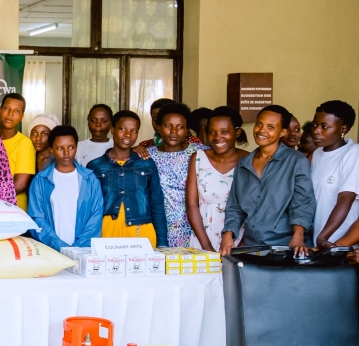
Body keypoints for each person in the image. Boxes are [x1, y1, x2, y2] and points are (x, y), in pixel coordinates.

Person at [221, 105, 315, 257]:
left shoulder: (295, 161)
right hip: (253, 247)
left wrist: (298, 236)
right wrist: (228, 234)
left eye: (270, 127)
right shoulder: (244, 164)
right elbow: (235, 206)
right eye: (259, 124)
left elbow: (302, 202)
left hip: (287, 246)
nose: (261, 130)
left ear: (283, 132)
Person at [87, 110, 168, 247]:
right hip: (106, 230)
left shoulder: (146, 164)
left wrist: (162, 242)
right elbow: (88, 206)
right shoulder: (95, 166)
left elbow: (157, 202)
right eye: (122, 129)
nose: (128, 135)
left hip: (141, 229)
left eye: (134, 130)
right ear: (112, 130)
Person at [27, 125, 103, 250]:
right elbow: (36, 217)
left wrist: (77, 248)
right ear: (51, 150)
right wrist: (59, 245)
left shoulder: (90, 179)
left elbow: (96, 216)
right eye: (60, 148)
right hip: (51, 251)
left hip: (83, 250)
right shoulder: (40, 180)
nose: (66, 153)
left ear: (77, 148)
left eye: (71, 147)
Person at [186, 106, 247, 252]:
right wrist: (207, 247)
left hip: (241, 237)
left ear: (237, 132)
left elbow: (256, 206)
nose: (217, 137)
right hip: (203, 236)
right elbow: (191, 204)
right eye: (212, 132)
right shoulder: (198, 158)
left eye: (224, 132)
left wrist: (243, 243)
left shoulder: (249, 160)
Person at [309, 100, 359, 248]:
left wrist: (324, 237)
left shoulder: (353, 153)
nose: (316, 131)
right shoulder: (317, 154)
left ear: (343, 129)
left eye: (324, 127)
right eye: (314, 124)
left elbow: (345, 199)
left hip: (339, 243)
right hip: (318, 241)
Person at [150, 102, 199, 247]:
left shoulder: (200, 153)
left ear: (187, 130)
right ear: (158, 127)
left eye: (180, 127)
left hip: (194, 227)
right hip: (159, 227)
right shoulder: (147, 155)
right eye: (168, 126)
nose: (173, 131)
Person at [0, 93, 35, 210]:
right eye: (7, 108)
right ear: (0, 110)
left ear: (21, 117)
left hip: (13, 209)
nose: (10, 114)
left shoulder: (24, 143)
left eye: (17, 111)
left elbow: (20, 184)